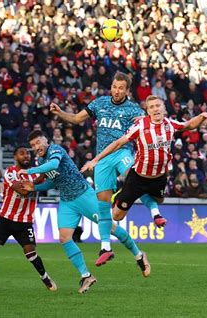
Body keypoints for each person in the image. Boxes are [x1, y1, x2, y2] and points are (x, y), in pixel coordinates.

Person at [50, 72, 163, 266]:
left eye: (121, 88)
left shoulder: (133, 110)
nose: (116, 91)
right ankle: (105, 248)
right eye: (114, 86)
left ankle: (156, 213)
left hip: (122, 153)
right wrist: (60, 113)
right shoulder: (99, 103)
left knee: (133, 177)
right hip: (101, 159)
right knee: (103, 205)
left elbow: (148, 125)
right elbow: (77, 119)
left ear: (127, 90)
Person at [19, 131, 150, 293]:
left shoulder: (55, 150)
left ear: (46, 140)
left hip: (84, 195)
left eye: (38, 142)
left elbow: (53, 166)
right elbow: (54, 182)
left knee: (111, 228)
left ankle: (139, 255)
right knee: (64, 237)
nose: (36, 147)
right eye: (32, 145)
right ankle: (86, 275)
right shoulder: (40, 160)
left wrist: (30, 172)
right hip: (67, 201)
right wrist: (35, 188)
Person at [81, 95, 207, 222]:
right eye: (151, 107)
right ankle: (120, 196)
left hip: (159, 177)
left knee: (160, 200)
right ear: (148, 111)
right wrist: (96, 159)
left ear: (164, 108)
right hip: (138, 178)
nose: (155, 109)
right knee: (117, 216)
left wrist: (202, 115)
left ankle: (149, 203)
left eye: (158, 105)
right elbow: (118, 143)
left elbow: (188, 125)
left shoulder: (170, 124)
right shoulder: (140, 126)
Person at [0, 146, 56, 293]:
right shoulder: (10, 172)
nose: (26, 156)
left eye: (28, 154)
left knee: (31, 254)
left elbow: (44, 181)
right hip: (5, 218)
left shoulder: (35, 172)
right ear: (15, 157)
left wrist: (43, 174)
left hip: (24, 221)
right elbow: (23, 191)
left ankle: (45, 278)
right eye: (22, 153)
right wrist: (42, 176)